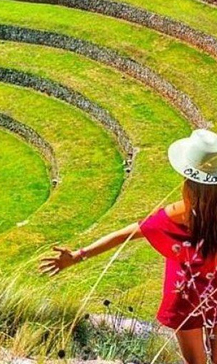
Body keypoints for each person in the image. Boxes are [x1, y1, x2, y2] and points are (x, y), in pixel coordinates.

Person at [40, 129, 217, 364]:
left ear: (188, 185)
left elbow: (124, 235)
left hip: (184, 297)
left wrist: (77, 256)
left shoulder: (173, 216)